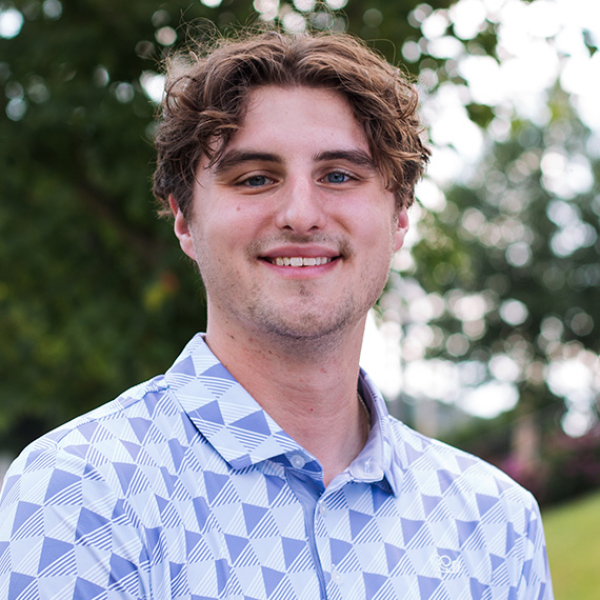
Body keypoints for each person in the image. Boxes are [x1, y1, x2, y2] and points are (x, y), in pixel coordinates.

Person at [0, 30, 553, 599]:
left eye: (339, 175)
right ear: (184, 220)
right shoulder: (78, 495)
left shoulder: (496, 524)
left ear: (400, 217)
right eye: (256, 178)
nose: (301, 214)